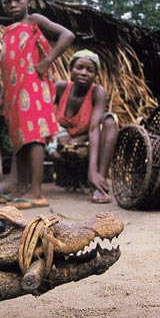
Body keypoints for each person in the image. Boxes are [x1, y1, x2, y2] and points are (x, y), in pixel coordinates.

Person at [0, 0, 75, 209]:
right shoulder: (8, 31)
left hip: (33, 87)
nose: (11, 4)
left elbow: (67, 35)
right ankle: (22, 188)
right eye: (6, 2)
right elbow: (7, 68)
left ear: (27, 1)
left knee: (33, 137)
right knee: (20, 140)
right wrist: (2, 96)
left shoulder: (34, 21)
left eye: (16, 0)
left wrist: (47, 61)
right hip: (14, 92)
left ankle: (36, 191)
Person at [51, 49, 119, 203]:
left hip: (89, 137)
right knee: (66, 140)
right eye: (79, 67)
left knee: (109, 122)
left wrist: (92, 171)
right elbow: (44, 116)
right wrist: (51, 143)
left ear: (95, 75)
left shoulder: (97, 92)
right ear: (70, 70)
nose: (83, 73)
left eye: (90, 70)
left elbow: (94, 128)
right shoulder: (61, 87)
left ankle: (99, 181)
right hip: (63, 139)